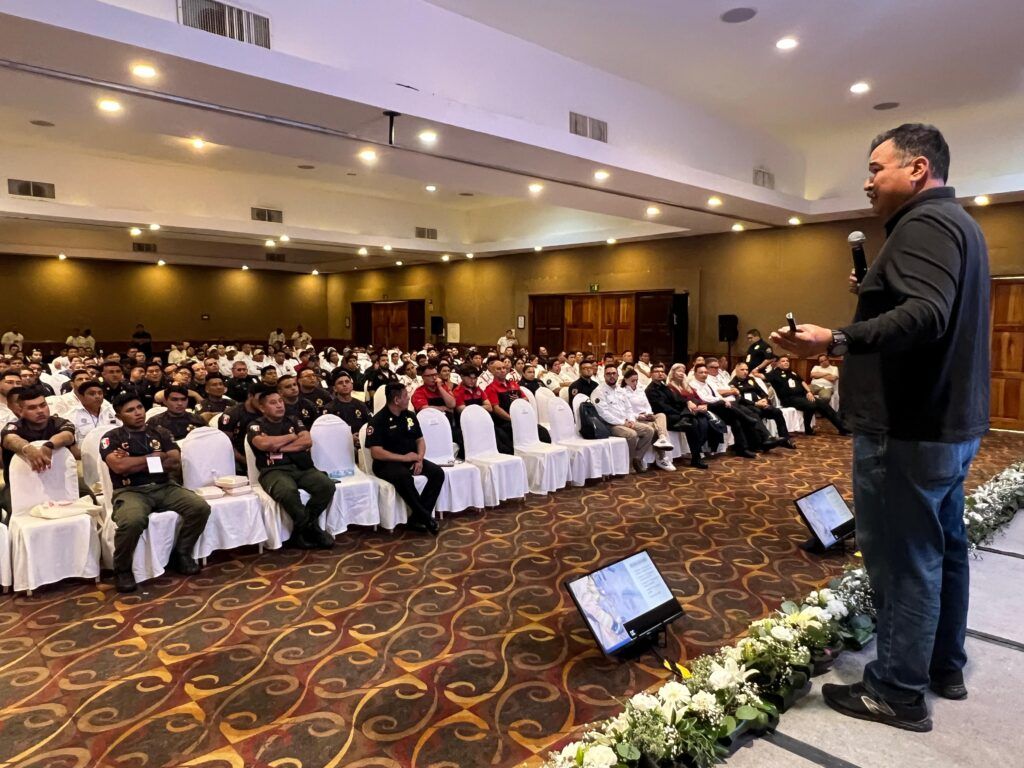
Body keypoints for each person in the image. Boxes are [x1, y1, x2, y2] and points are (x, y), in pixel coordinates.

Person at [770, 123, 989, 732]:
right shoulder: (959, 223)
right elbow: (926, 310)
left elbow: (926, 315)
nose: (867, 183)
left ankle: (897, 689)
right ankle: (941, 665)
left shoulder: (922, 224)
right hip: (947, 423)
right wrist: (877, 295)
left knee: (901, 558)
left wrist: (836, 337)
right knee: (943, 548)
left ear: (917, 169)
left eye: (875, 169)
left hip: (908, 426)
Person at [100, 393, 211, 592]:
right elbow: (119, 467)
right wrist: (154, 457)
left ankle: (182, 553)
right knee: (132, 521)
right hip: (131, 490)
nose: (138, 413)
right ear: (119, 415)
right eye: (130, 410)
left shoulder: (160, 432)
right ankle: (122, 569)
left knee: (200, 507)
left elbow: (174, 463)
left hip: (164, 486)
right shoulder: (111, 437)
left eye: (139, 407)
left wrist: (135, 462)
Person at [247, 387, 336, 549]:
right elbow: (263, 444)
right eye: (273, 403)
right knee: (287, 492)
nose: (279, 405)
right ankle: (313, 529)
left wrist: (278, 447)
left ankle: (301, 530)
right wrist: (291, 436)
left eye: (280, 401)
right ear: (262, 408)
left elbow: (307, 441)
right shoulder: (256, 425)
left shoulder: (294, 420)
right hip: (273, 471)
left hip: (301, 467)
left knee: (327, 486)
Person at [365, 382, 443, 534]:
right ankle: (426, 518)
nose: (409, 398)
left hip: (411, 459)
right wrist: (404, 458)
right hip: (387, 464)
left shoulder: (410, 416)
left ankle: (417, 519)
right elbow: (376, 452)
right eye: (406, 396)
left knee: (437, 473)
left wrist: (419, 459)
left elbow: (420, 440)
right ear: (396, 400)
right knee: (404, 476)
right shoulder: (377, 421)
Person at [0, 386, 78, 518]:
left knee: (89, 499)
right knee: (16, 513)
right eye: (32, 408)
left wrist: (49, 445)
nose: (40, 411)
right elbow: (10, 440)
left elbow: (68, 436)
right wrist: (27, 448)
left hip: (61, 481)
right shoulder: (13, 427)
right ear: (20, 411)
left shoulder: (59, 422)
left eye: (43, 405)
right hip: (19, 484)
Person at [592, 364, 657, 473]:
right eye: (608, 374)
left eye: (614, 373)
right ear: (604, 376)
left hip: (626, 421)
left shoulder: (620, 389)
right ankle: (629, 464)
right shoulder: (599, 391)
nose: (611, 376)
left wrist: (631, 419)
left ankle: (637, 459)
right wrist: (623, 423)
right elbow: (603, 414)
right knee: (632, 434)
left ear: (618, 375)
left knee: (649, 430)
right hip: (610, 425)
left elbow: (628, 408)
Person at [645, 363, 712, 469]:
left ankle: (696, 456)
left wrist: (687, 402)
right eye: (657, 372)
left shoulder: (664, 386)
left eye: (662, 371)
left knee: (697, 421)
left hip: (675, 415)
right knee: (693, 423)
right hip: (664, 417)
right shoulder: (650, 390)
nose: (660, 374)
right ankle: (696, 458)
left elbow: (677, 399)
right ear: (651, 374)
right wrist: (680, 413)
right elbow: (662, 407)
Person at [691, 363, 765, 458]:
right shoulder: (693, 384)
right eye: (701, 372)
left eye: (705, 372)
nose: (704, 374)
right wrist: (721, 400)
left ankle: (742, 449)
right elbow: (704, 398)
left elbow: (718, 395)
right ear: (695, 373)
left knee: (735, 421)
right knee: (722, 403)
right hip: (705, 407)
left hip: (717, 406)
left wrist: (724, 400)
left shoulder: (708, 383)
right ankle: (746, 418)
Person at [768, 356, 849, 435]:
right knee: (811, 405)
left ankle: (842, 427)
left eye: (787, 361)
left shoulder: (792, 372)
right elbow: (762, 376)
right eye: (783, 361)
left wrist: (809, 392)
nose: (786, 362)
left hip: (801, 396)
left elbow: (802, 382)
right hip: (789, 399)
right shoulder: (774, 374)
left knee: (823, 404)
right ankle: (807, 429)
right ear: (778, 363)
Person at [620, 368, 675, 471]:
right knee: (654, 429)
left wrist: (649, 413)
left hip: (646, 416)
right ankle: (662, 457)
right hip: (636, 418)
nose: (635, 383)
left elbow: (647, 404)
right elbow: (626, 410)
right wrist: (638, 416)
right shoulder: (623, 392)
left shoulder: (640, 390)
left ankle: (662, 438)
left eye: (636, 380)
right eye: (632, 381)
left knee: (661, 415)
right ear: (626, 380)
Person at [731, 363, 796, 449]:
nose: (745, 372)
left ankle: (785, 439)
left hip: (759, 404)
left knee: (777, 412)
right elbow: (740, 400)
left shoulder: (750, 380)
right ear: (736, 371)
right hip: (747, 406)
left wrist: (765, 400)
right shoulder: (733, 384)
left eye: (746, 369)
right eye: (742, 370)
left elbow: (761, 392)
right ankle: (766, 439)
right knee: (756, 412)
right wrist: (755, 404)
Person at [64, 379, 121, 445]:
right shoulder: (71, 416)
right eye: (92, 394)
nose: (97, 396)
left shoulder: (112, 411)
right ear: (81, 397)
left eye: (100, 393)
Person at [325, 370, 369, 443]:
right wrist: (348, 438)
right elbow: (327, 433)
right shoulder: (329, 408)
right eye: (340, 383)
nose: (344, 385)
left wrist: (363, 436)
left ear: (352, 386)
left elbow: (369, 424)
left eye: (347, 382)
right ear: (335, 388)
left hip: (362, 442)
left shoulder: (361, 405)